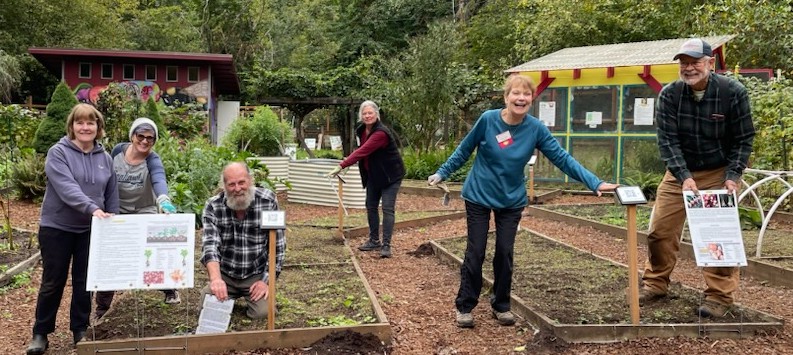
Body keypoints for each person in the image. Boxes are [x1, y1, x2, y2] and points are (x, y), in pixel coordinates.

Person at [427, 75, 618, 328]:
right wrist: (442, 172)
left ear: (531, 99)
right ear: (506, 98)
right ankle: (465, 306)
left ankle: (501, 305)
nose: (521, 98)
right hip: (479, 195)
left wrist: (594, 182)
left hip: (511, 200)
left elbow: (562, 158)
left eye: (526, 94)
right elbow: (464, 149)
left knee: (504, 252)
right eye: (516, 93)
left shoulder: (535, 128)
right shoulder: (488, 120)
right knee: (476, 251)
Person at [639, 38, 755, 318]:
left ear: (710, 63)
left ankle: (719, 296)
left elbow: (743, 138)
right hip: (680, 172)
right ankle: (655, 283)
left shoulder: (732, 92)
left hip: (718, 171)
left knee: (718, 235)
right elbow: (668, 141)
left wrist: (732, 175)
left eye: (695, 62)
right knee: (660, 230)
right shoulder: (670, 95)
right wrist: (683, 176)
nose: (689, 68)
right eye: (684, 62)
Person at [26, 103, 119, 355]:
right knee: (52, 282)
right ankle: (40, 332)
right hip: (57, 227)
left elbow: (111, 193)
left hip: (91, 229)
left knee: (84, 282)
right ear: (72, 126)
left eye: (91, 122)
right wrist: (92, 208)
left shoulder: (105, 158)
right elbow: (67, 188)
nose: (85, 127)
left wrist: (114, 220)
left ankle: (80, 328)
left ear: (98, 127)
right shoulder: (58, 153)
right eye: (80, 122)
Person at [93, 118, 180, 320]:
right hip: (117, 209)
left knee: (150, 249)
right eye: (140, 136)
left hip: (143, 208)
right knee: (111, 255)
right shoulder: (116, 152)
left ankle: (169, 287)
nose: (144, 141)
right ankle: (102, 309)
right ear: (132, 136)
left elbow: (159, 178)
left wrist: (164, 200)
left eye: (150, 138)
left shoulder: (152, 159)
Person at [199, 162, 286, 319]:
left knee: (264, 313)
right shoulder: (213, 206)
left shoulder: (267, 200)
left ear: (250, 180)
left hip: (255, 274)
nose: (237, 189)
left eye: (241, 182)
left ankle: (248, 300)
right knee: (206, 310)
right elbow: (209, 246)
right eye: (231, 184)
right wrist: (216, 279)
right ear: (224, 186)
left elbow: (277, 247)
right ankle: (224, 297)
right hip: (225, 274)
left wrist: (266, 281)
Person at [325, 100, 405, 258]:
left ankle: (386, 245)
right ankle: (374, 240)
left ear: (377, 114)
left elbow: (364, 150)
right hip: (374, 175)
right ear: (361, 116)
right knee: (371, 206)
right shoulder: (362, 130)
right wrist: (350, 162)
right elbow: (362, 150)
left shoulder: (381, 133)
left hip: (391, 175)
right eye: (364, 113)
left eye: (370, 113)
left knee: (388, 209)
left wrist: (342, 165)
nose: (367, 116)